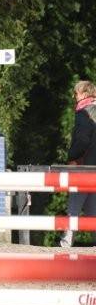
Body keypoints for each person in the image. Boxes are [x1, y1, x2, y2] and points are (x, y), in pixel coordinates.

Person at [61, 81, 96, 247]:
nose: (74, 96)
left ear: (85, 94)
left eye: (76, 93)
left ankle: (66, 242)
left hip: (85, 165)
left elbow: (82, 139)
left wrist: (73, 158)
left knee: (74, 204)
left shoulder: (84, 112)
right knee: (92, 207)